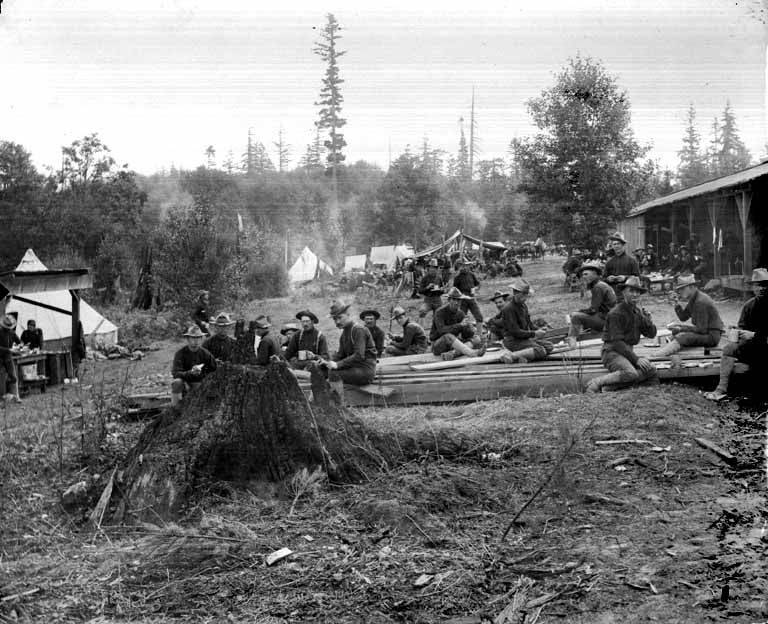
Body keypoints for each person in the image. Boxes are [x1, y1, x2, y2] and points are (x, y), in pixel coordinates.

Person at [585, 276, 658, 393]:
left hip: (627, 352)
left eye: (637, 292)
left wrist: (648, 320)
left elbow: (651, 334)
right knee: (631, 373)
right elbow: (616, 342)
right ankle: (596, 382)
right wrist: (636, 359)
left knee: (651, 369)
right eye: (631, 291)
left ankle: (611, 387)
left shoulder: (638, 312)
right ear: (624, 292)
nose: (635, 294)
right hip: (612, 353)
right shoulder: (616, 313)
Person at [704, 268, 768, 401]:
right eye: (757, 285)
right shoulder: (749, 306)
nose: (761, 289)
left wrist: (755, 336)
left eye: (765, 285)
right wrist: (737, 331)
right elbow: (743, 327)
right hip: (754, 347)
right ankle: (721, 389)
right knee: (728, 349)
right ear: (752, 287)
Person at [656, 274, 724, 367]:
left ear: (692, 287)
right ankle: (669, 350)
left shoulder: (700, 301)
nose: (680, 292)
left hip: (712, 336)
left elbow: (701, 330)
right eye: (679, 289)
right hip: (706, 333)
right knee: (677, 332)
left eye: (682, 289)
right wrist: (676, 303)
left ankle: (657, 356)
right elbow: (683, 317)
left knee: (683, 336)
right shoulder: (694, 299)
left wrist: (681, 328)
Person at [319, 300, 377, 387]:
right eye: (335, 319)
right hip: (354, 367)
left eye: (340, 317)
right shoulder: (345, 333)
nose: (337, 322)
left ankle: (336, 399)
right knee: (323, 370)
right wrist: (327, 362)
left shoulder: (358, 330)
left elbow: (359, 355)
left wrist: (337, 364)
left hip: (365, 371)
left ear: (348, 314)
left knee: (333, 374)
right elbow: (340, 355)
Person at [499, 278, 554, 363]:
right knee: (540, 350)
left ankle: (522, 356)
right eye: (523, 294)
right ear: (515, 293)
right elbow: (515, 331)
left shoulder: (523, 306)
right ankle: (511, 356)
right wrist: (534, 334)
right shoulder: (508, 309)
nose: (526, 296)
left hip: (523, 339)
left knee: (549, 346)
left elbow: (529, 324)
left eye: (526, 294)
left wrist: (538, 329)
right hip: (512, 341)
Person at [567, 261, 616, 348]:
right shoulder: (602, 285)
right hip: (610, 319)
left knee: (575, 316)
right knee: (582, 315)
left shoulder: (598, 287)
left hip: (607, 322)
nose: (583, 277)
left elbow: (593, 310)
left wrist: (579, 312)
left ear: (594, 274)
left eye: (586, 274)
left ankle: (572, 341)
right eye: (583, 275)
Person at [430, 287, 484, 360]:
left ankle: (453, 354)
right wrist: (460, 325)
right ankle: (471, 353)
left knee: (477, 338)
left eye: (458, 300)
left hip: (453, 344)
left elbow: (466, 335)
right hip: (437, 345)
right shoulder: (439, 312)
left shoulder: (460, 313)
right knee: (448, 336)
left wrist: (468, 327)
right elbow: (442, 331)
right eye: (454, 299)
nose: (456, 302)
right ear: (449, 300)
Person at [171, 325, 217, 406]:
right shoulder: (180, 353)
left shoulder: (205, 354)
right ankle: (175, 407)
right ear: (188, 339)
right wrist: (190, 373)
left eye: (198, 338)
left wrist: (202, 375)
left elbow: (214, 369)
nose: (195, 341)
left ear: (201, 339)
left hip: (199, 382)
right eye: (193, 338)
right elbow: (175, 373)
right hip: (184, 382)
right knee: (176, 382)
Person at [604, 232, 640, 302]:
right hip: (613, 294)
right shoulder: (609, 262)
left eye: (618, 244)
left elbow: (637, 278)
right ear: (612, 246)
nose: (616, 246)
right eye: (614, 244)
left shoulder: (632, 261)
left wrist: (625, 278)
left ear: (623, 245)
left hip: (627, 294)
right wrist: (608, 279)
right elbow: (603, 278)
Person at [453, 259, 484, 324]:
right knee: (461, 318)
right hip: (462, 300)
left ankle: (479, 333)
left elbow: (478, 284)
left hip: (472, 298)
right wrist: (460, 295)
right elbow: (454, 290)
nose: (465, 267)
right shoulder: (457, 277)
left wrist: (475, 289)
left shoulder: (471, 274)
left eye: (467, 265)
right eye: (463, 266)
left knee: (479, 317)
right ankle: (461, 333)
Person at [0, 314, 22, 403]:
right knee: (1, 377)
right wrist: (9, 349)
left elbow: (19, 342)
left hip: (8, 357)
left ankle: (16, 396)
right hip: (0, 357)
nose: (8, 328)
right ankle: (2, 398)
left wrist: (21, 346)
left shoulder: (12, 333)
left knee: (13, 376)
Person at [418, 258, 445, 325]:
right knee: (422, 311)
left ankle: (437, 329)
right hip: (428, 300)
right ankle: (421, 330)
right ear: (429, 268)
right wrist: (427, 287)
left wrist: (442, 290)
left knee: (440, 314)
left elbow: (442, 290)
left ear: (437, 269)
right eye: (431, 267)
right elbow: (420, 291)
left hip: (437, 299)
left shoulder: (439, 278)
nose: (433, 269)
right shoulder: (425, 278)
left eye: (435, 268)